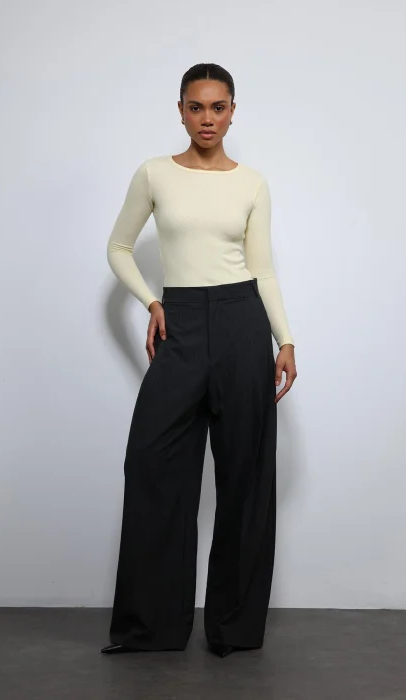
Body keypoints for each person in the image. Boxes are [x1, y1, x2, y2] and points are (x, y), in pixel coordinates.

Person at [101, 63, 297, 658]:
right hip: (180, 322)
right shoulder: (155, 173)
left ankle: (233, 629)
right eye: (196, 107)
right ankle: (152, 627)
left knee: (245, 477)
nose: (206, 118)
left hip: (242, 325)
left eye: (217, 107)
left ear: (232, 112)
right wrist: (152, 301)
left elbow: (262, 269)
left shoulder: (252, 183)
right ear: (181, 111)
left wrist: (285, 340)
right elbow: (119, 247)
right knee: (153, 467)